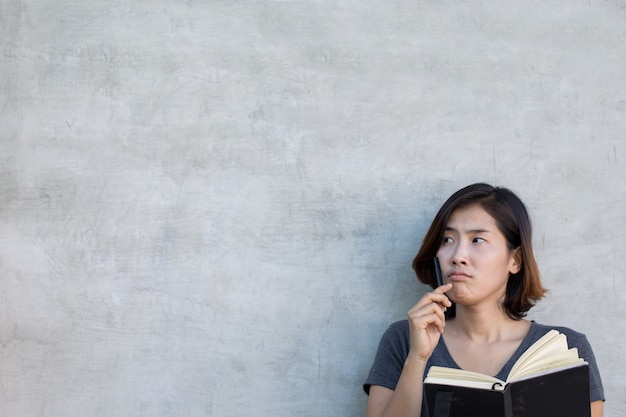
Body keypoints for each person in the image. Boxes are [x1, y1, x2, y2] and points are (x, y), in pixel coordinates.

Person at [363, 183, 604, 417]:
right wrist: (417, 358)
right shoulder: (403, 340)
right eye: (448, 240)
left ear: (515, 260)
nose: (458, 256)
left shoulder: (566, 347)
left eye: (477, 240)